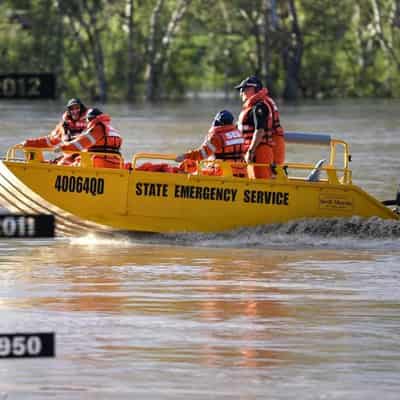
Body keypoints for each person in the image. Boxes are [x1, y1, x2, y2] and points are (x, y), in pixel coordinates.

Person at [235, 76, 285, 179]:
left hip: (261, 149)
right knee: (264, 178)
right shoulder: (261, 103)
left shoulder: (259, 106)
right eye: (241, 90)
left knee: (263, 182)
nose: (241, 92)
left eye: (245, 89)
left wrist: (250, 151)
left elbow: (260, 130)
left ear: (255, 89)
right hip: (260, 148)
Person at [175, 110, 246, 176]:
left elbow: (202, 154)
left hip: (221, 173)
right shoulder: (239, 134)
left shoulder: (217, 137)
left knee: (186, 167)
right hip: (240, 173)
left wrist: (185, 156)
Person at [22, 98, 88, 165]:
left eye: (77, 108)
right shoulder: (64, 125)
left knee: (64, 163)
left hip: (87, 157)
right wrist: (30, 143)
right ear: (69, 111)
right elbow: (51, 139)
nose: (75, 111)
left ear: (82, 109)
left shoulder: (90, 122)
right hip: (71, 156)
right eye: (72, 109)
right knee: (61, 163)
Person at [55, 108, 122, 169]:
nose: (86, 122)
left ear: (90, 118)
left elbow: (79, 144)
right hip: (116, 164)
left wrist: (62, 147)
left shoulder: (98, 127)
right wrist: (74, 138)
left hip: (99, 163)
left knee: (63, 163)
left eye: (87, 120)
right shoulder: (110, 128)